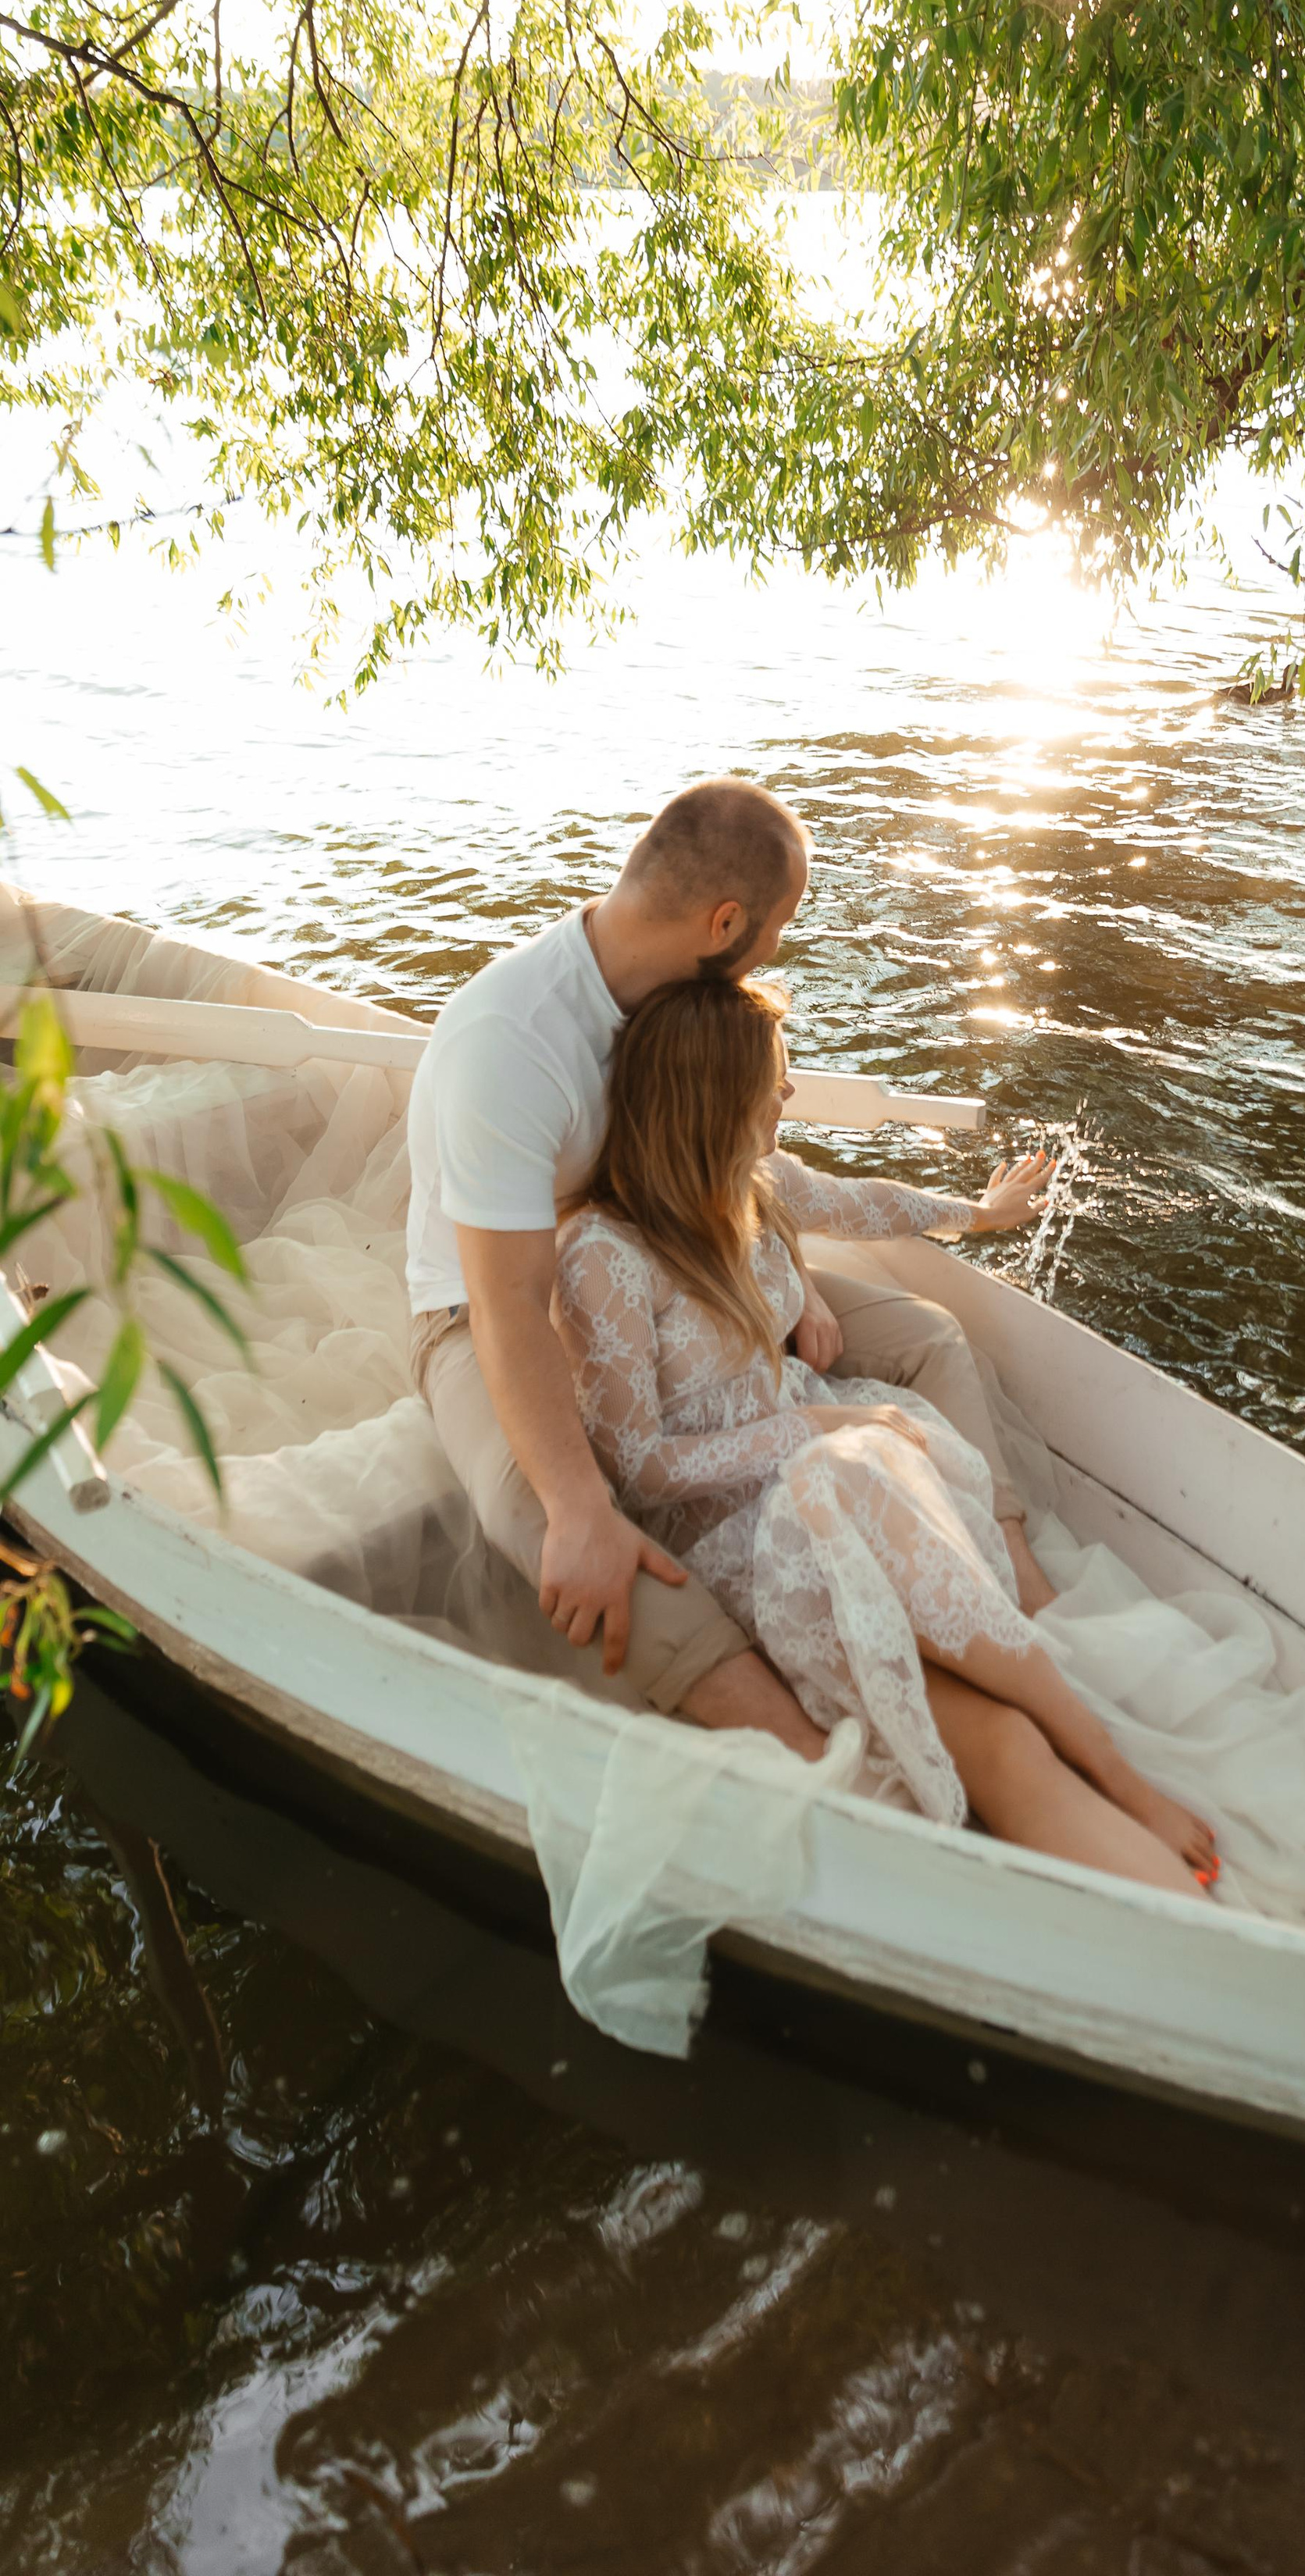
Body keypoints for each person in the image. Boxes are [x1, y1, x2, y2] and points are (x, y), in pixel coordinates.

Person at [405, 778, 1054, 1752]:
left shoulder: (683, 999)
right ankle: (817, 1763)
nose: (778, 950)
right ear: (723, 922)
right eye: (778, 926)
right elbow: (509, 1302)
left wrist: (789, 1274)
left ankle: (1018, 1590)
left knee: (924, 1338)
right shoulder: (514, 1045)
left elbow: (736, 1161)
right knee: (570, 1532)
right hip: (485, 1307)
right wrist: (578, 1505)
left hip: (678, 1262)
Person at [554, 970, 1218, 1894]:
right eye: (774, 1081)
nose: (789, 1092)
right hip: (733, 1535)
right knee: (999, 1740)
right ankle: (1111, 1786)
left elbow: (869, 1203)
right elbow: (639, 1466)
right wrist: (815, 1425)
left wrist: (978, 1215)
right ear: (714, 1104)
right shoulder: (605, 1257)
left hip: (828, 1472)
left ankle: (1107, 1764)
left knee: (856, 1467)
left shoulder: (756, 1186)